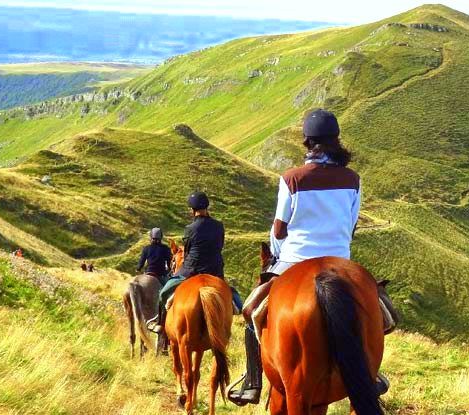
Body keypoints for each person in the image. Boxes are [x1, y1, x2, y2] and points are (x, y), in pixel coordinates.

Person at [229, 109, 388, 406]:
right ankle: (370, 374)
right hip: (341, 260)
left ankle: (252, 381)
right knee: (384, 314)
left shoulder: (291, 179)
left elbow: (278, 229)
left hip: (294, 259)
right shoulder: (352, 179)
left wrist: (276, 255)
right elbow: (351, 225)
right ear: (336, 141)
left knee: (251, 311)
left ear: (307, 142)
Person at [147, 192, 228, 334]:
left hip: (192, 270)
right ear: (207, 207)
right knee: (232, 295)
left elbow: (188, 251)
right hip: (215, 271)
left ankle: (160, 323)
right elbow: (219, 246)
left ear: (192, 210)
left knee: (164, 292)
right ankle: (235, 309)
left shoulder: (190, 228)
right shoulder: (219, 226)